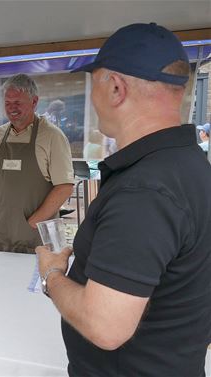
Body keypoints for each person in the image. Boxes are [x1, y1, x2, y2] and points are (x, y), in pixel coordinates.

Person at [36, 23, 211, 376]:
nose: (91, 97)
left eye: (93, 83)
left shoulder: (144, 190)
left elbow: (106, 327)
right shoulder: (190, 163)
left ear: (115, 88)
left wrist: (52, 275)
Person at [0, 74, 74, 253]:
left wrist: (32, 223)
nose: (12, 108)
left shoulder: (52, 136)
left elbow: (65, 186)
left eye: (18, 103)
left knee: (37, 280)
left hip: (37, 236)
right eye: (8, 103)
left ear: (34, 101)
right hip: (0, 233)